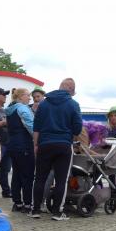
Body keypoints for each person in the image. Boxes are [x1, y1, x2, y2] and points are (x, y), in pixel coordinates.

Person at [30, 78, 82, 220]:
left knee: (39, 178)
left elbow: (36, 127)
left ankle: (35, 210)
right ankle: (57, 212)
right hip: (64, 145)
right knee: (61, 180)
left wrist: (36, 145)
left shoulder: (43, 104)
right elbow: (78, 128)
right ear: (71, 90)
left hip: (44, 144)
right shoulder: (73, 104)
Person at [5, 87, 35, 213]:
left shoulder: (9, 109)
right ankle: (27, 204)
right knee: (27, 175)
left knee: (16, 175)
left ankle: (17, 203)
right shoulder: (22, 108)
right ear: (21, 96)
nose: (30, 98)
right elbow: (31, 126)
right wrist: (38, 140)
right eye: (28, 95)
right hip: (24, 145)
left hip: (12, 145)